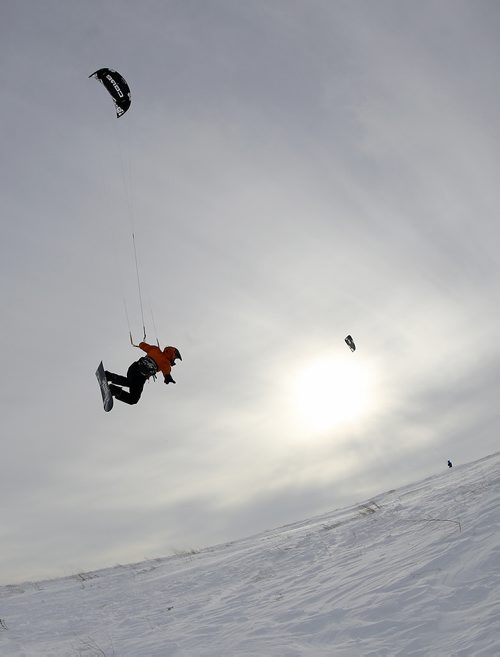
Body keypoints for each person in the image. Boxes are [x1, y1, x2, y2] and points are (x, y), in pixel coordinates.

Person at [105, 341, 182, 405]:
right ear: (172, 354)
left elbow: (143, 345)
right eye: (175, 358)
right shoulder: (166, 363)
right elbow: (166, 372)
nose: (174, 360)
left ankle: (108, 376)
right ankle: (114, 390)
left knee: (130, 382)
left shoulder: (155, 349)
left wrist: (141, 344)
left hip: (133, 368)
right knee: (133, 399)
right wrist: (168, 378)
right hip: (140, 376)